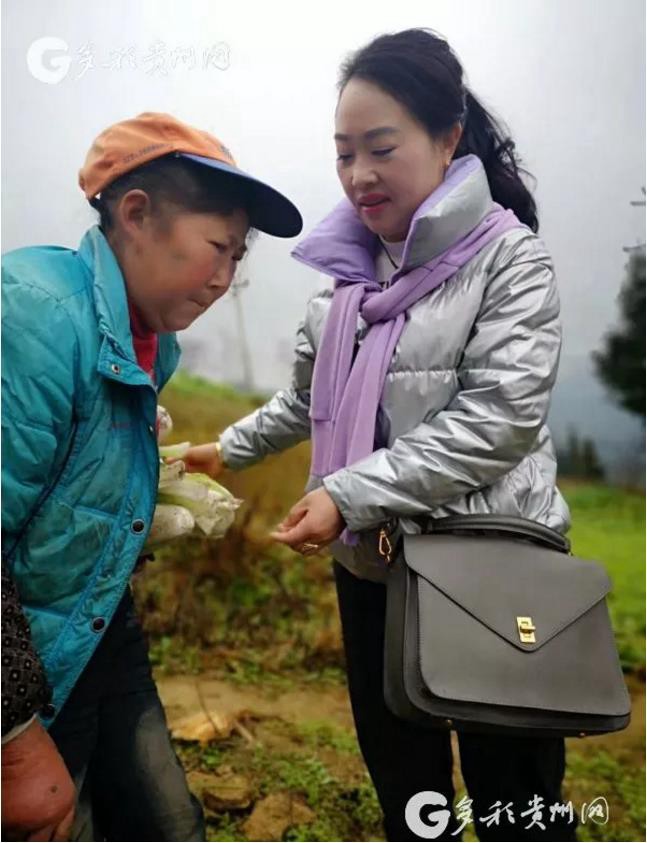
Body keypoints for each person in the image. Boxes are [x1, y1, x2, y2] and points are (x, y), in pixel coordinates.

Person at [182, 29, 579, 842]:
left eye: (380, 148)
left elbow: (497, 422)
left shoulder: (509, 262)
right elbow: (308, 401)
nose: (358, 175)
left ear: (446, 139)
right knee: (405, 784)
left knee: (515, 797)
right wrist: (227, 447)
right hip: (373, 562)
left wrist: (347, 492)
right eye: (342, 154)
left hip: (488, 562)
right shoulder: (345, 278)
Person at [1, 111, 302, 841]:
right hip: (23, 656)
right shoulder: (33, 319)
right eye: (216, 249)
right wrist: (12, 744)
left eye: (239, 258)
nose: (226, 278)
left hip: (96, 627)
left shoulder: (152, 344)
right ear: (136, 214)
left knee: (166, 821)